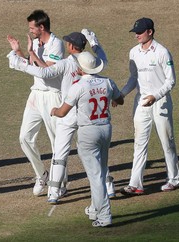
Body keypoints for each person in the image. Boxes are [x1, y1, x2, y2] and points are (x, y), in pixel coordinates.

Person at [8, 30, 116, 204]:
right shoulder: (91, 62)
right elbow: (103, 58)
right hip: (86, 113)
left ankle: (54, 192)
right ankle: (109, 187)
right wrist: (94, 41)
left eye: (68, 43)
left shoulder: (66, 63)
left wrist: (19, 63)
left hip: (67, 112)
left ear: (71, 46)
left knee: (59, 153)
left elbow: (44, 74)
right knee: (95, 152)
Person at [51, 51, 124, 227]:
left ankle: (104, 215)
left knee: (96, 176)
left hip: (88, 132)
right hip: (106, 129)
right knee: (101, 169)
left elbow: (62, 112)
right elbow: (120, 100)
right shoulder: (107, 82)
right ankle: (94, 209)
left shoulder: (78, 86)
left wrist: (53, 110)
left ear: (81, 68)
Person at [118, 17, 179, 195]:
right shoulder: (133, 52)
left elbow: (171, 81)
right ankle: (136, 184)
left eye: (140, 32)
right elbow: (133, 78)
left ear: (150, 32)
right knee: (139, 143)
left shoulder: (162, 52)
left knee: (166, 141)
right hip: (142, 101)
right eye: (135, 32)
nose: (136, 35)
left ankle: (173, 179)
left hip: (161, 101)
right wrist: (121, 94)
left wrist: (156, 95)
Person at [7, 9, 65, 196]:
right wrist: (20, 52)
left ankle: (60, 184)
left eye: (32, 27)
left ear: (42, 27)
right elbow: (32, 64)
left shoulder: (57, 44)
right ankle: (42, 175)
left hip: (52, 96)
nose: (30, 30)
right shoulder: (37, 43)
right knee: (24, 138)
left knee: (57, 142)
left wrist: (30, 52)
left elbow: (47, 69)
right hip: (36, 95)